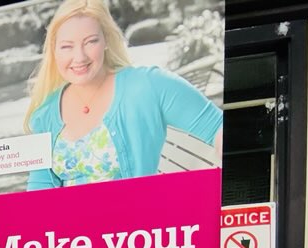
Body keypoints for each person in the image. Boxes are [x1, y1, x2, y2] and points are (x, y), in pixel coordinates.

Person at [24, 0, 223, 190]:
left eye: (90, 42)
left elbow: (218, 127)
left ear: (106, 41)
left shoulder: (148, 84)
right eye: (67, 46)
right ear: (54, 50)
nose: (79, 57)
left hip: (140, 223)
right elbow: (39, 190)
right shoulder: (45, 115)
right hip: (69, 225)